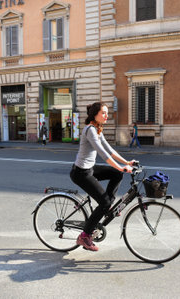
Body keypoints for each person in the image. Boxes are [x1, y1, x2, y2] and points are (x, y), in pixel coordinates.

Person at [70, 102, 135, 251]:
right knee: (104, 202)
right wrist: (121, 166)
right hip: (80, 173)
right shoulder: (90, 130)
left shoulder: (98, 129)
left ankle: (107, 207)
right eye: (104, 113)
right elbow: (102, 153)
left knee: (116, 174)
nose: (107, 115)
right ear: (95, 115)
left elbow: (109, 149)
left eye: (107, 113)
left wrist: (126, 162)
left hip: (89, 169)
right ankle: (85, 236)